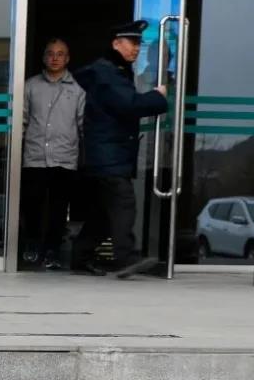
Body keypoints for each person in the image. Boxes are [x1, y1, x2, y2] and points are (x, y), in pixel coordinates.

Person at [71, 20, 169, 278]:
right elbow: (129, 105)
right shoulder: (108, 73)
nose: (136, 48)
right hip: (108, 155)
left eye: (139, 43)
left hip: (107, 154)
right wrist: (158, 97)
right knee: (123, 204)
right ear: (116, 44)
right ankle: (125, 258)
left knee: (103, 213)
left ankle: (80, 257)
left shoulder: (113, 71)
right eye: (132, 42)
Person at [21, 38, 85, 270]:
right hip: (34, 156)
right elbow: (22, 120)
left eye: (60, 54)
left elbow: (82, 124)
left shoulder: (78, 89)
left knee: (58, 210)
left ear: (67, 59)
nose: (55, 58)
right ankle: (32, 245)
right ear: (44, 57)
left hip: (65, 158)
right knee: (32, 205)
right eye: (50, 53)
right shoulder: (30, 86)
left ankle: (53, 251)